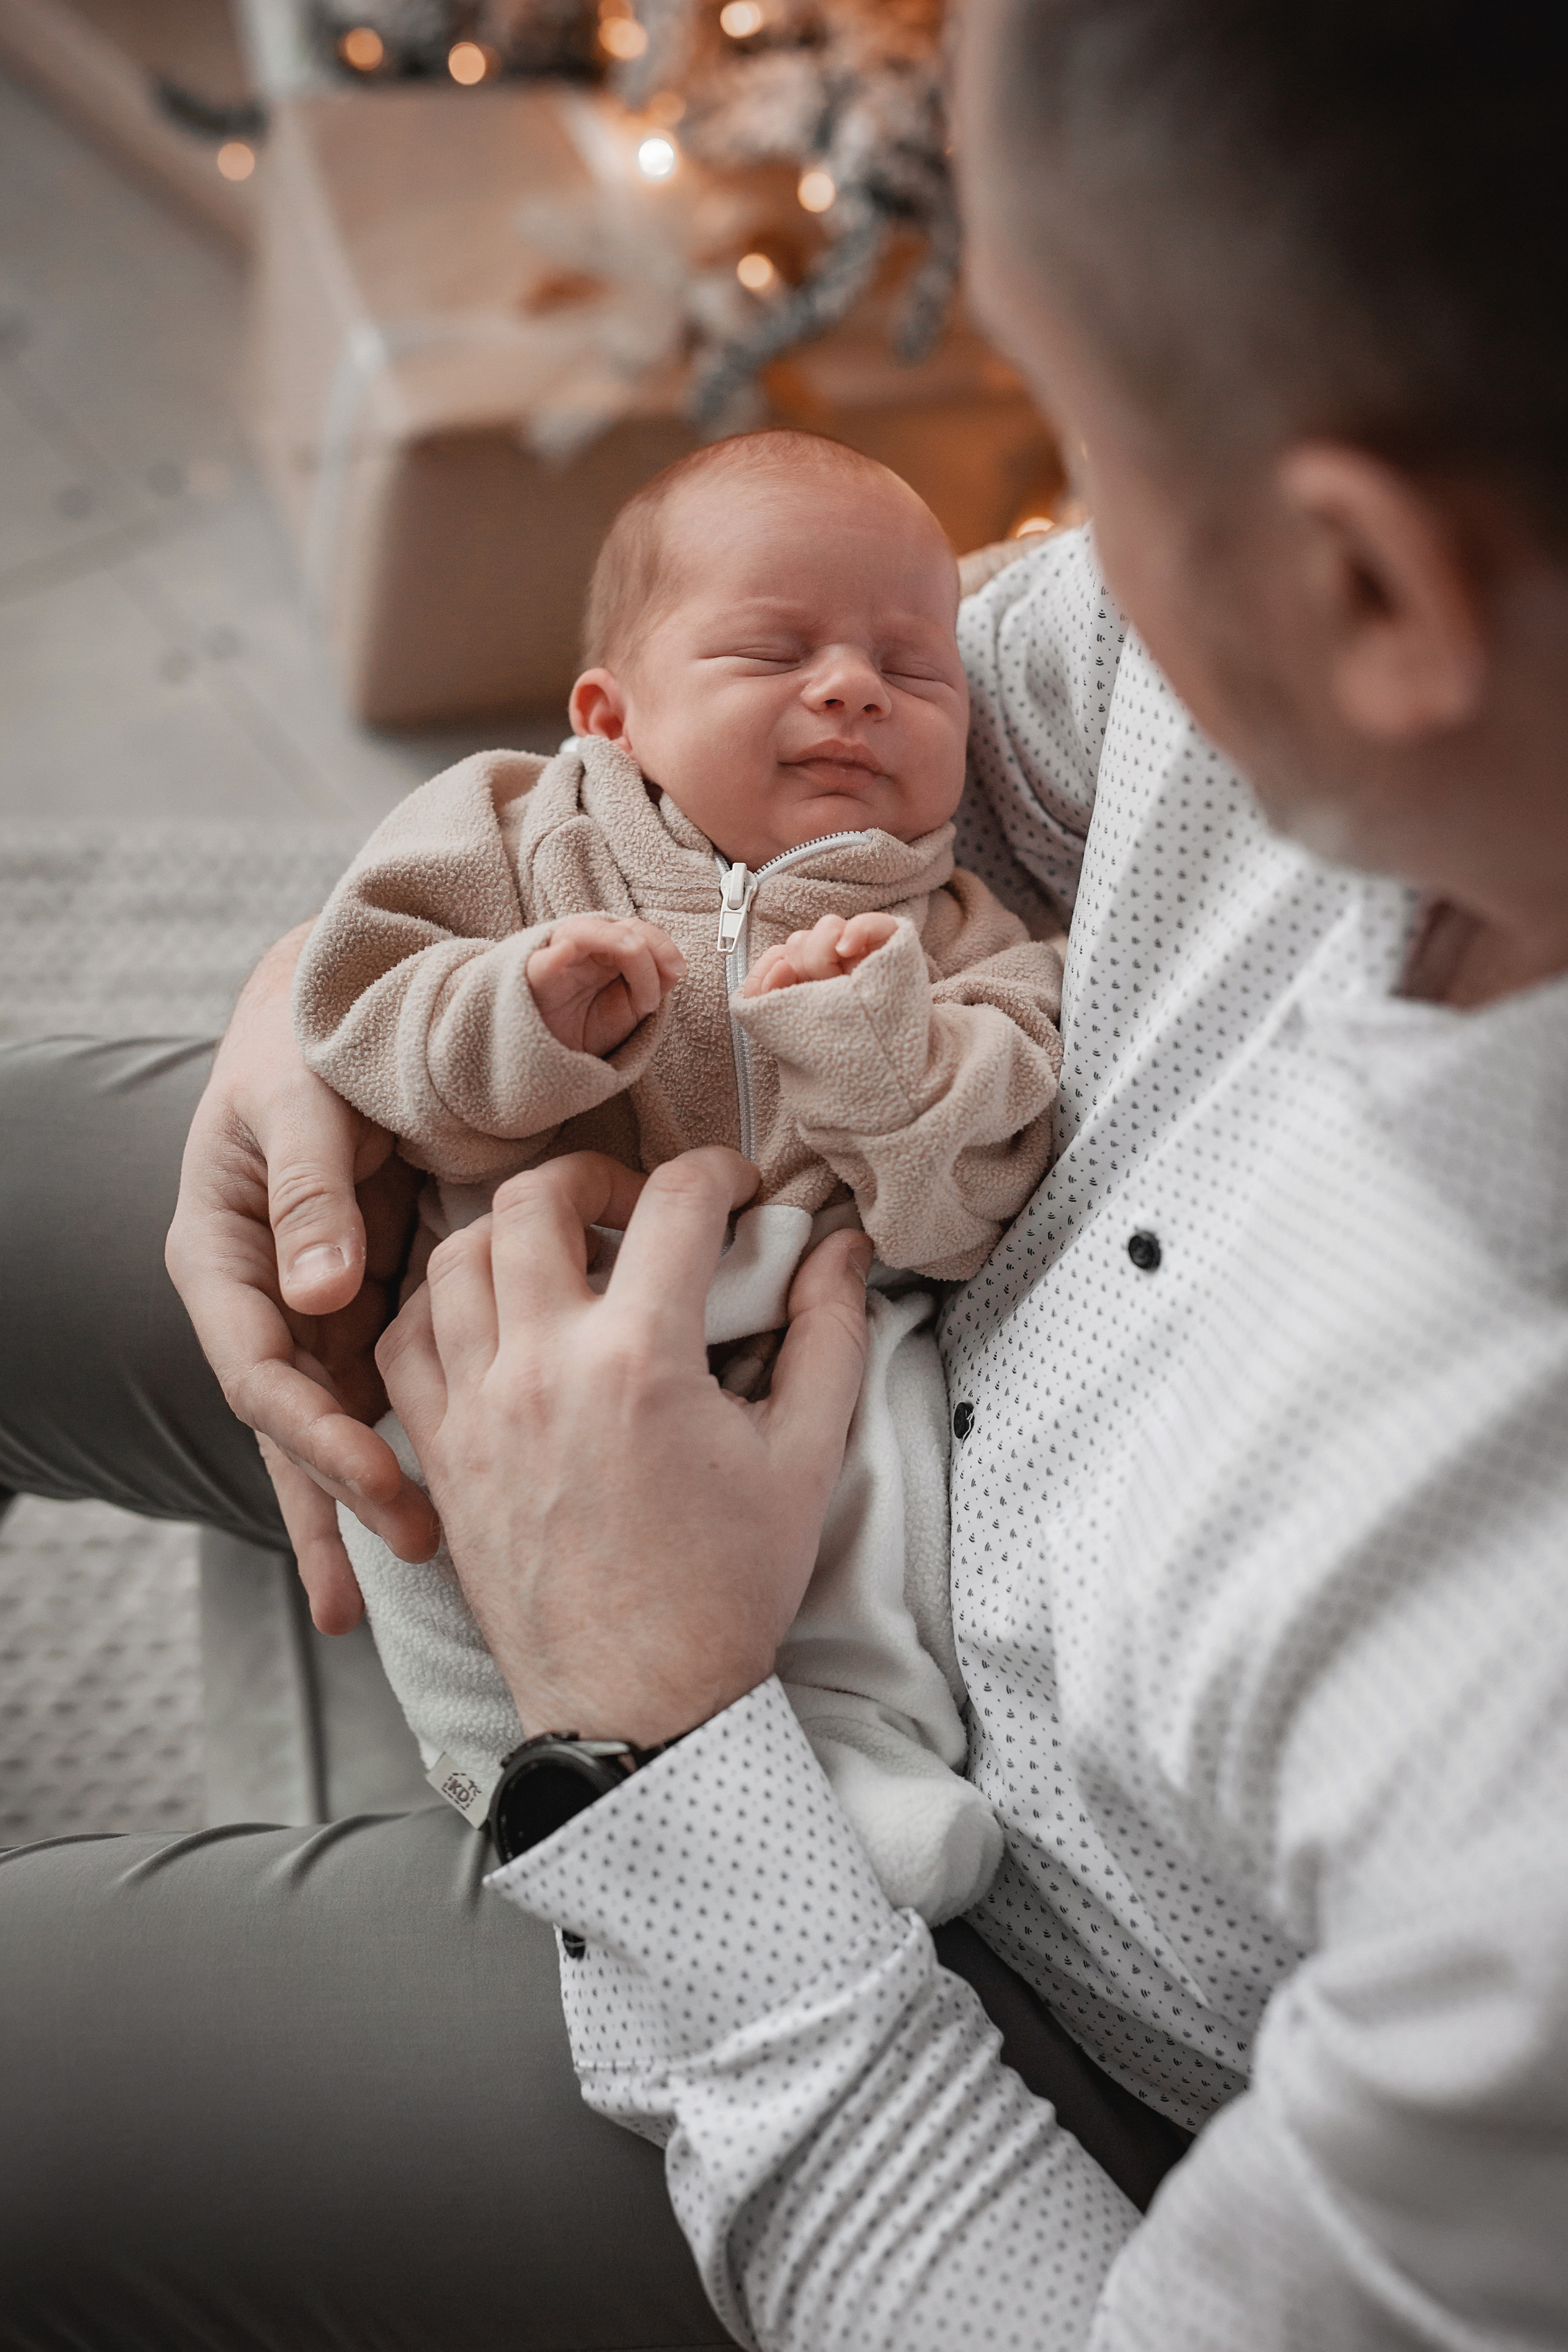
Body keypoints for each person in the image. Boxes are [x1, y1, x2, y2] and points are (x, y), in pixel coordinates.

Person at [2, 0, 1566, 2343]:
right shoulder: (1357, 633)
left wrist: (648, 1716)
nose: (1055, 570)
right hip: (686, 1300)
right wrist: (341, 1007)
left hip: (942, 2000)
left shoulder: (1517, 1804)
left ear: (1371, 596)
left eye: (1094, 448)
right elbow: (778, 732)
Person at [291, 428, 1065, 1922]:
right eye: (773, 649)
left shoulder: (968, 939)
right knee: (428, 1497)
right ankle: (499, 1740)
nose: (850, 689)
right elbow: (360, 1013)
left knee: (884, 1492)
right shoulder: (512, 829)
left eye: (914, 676)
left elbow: (965, 1205)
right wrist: (518, 1016)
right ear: (611, 712)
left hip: (808, 1333)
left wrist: (874, 1050)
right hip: (524, 1302)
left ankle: (854, 1748)